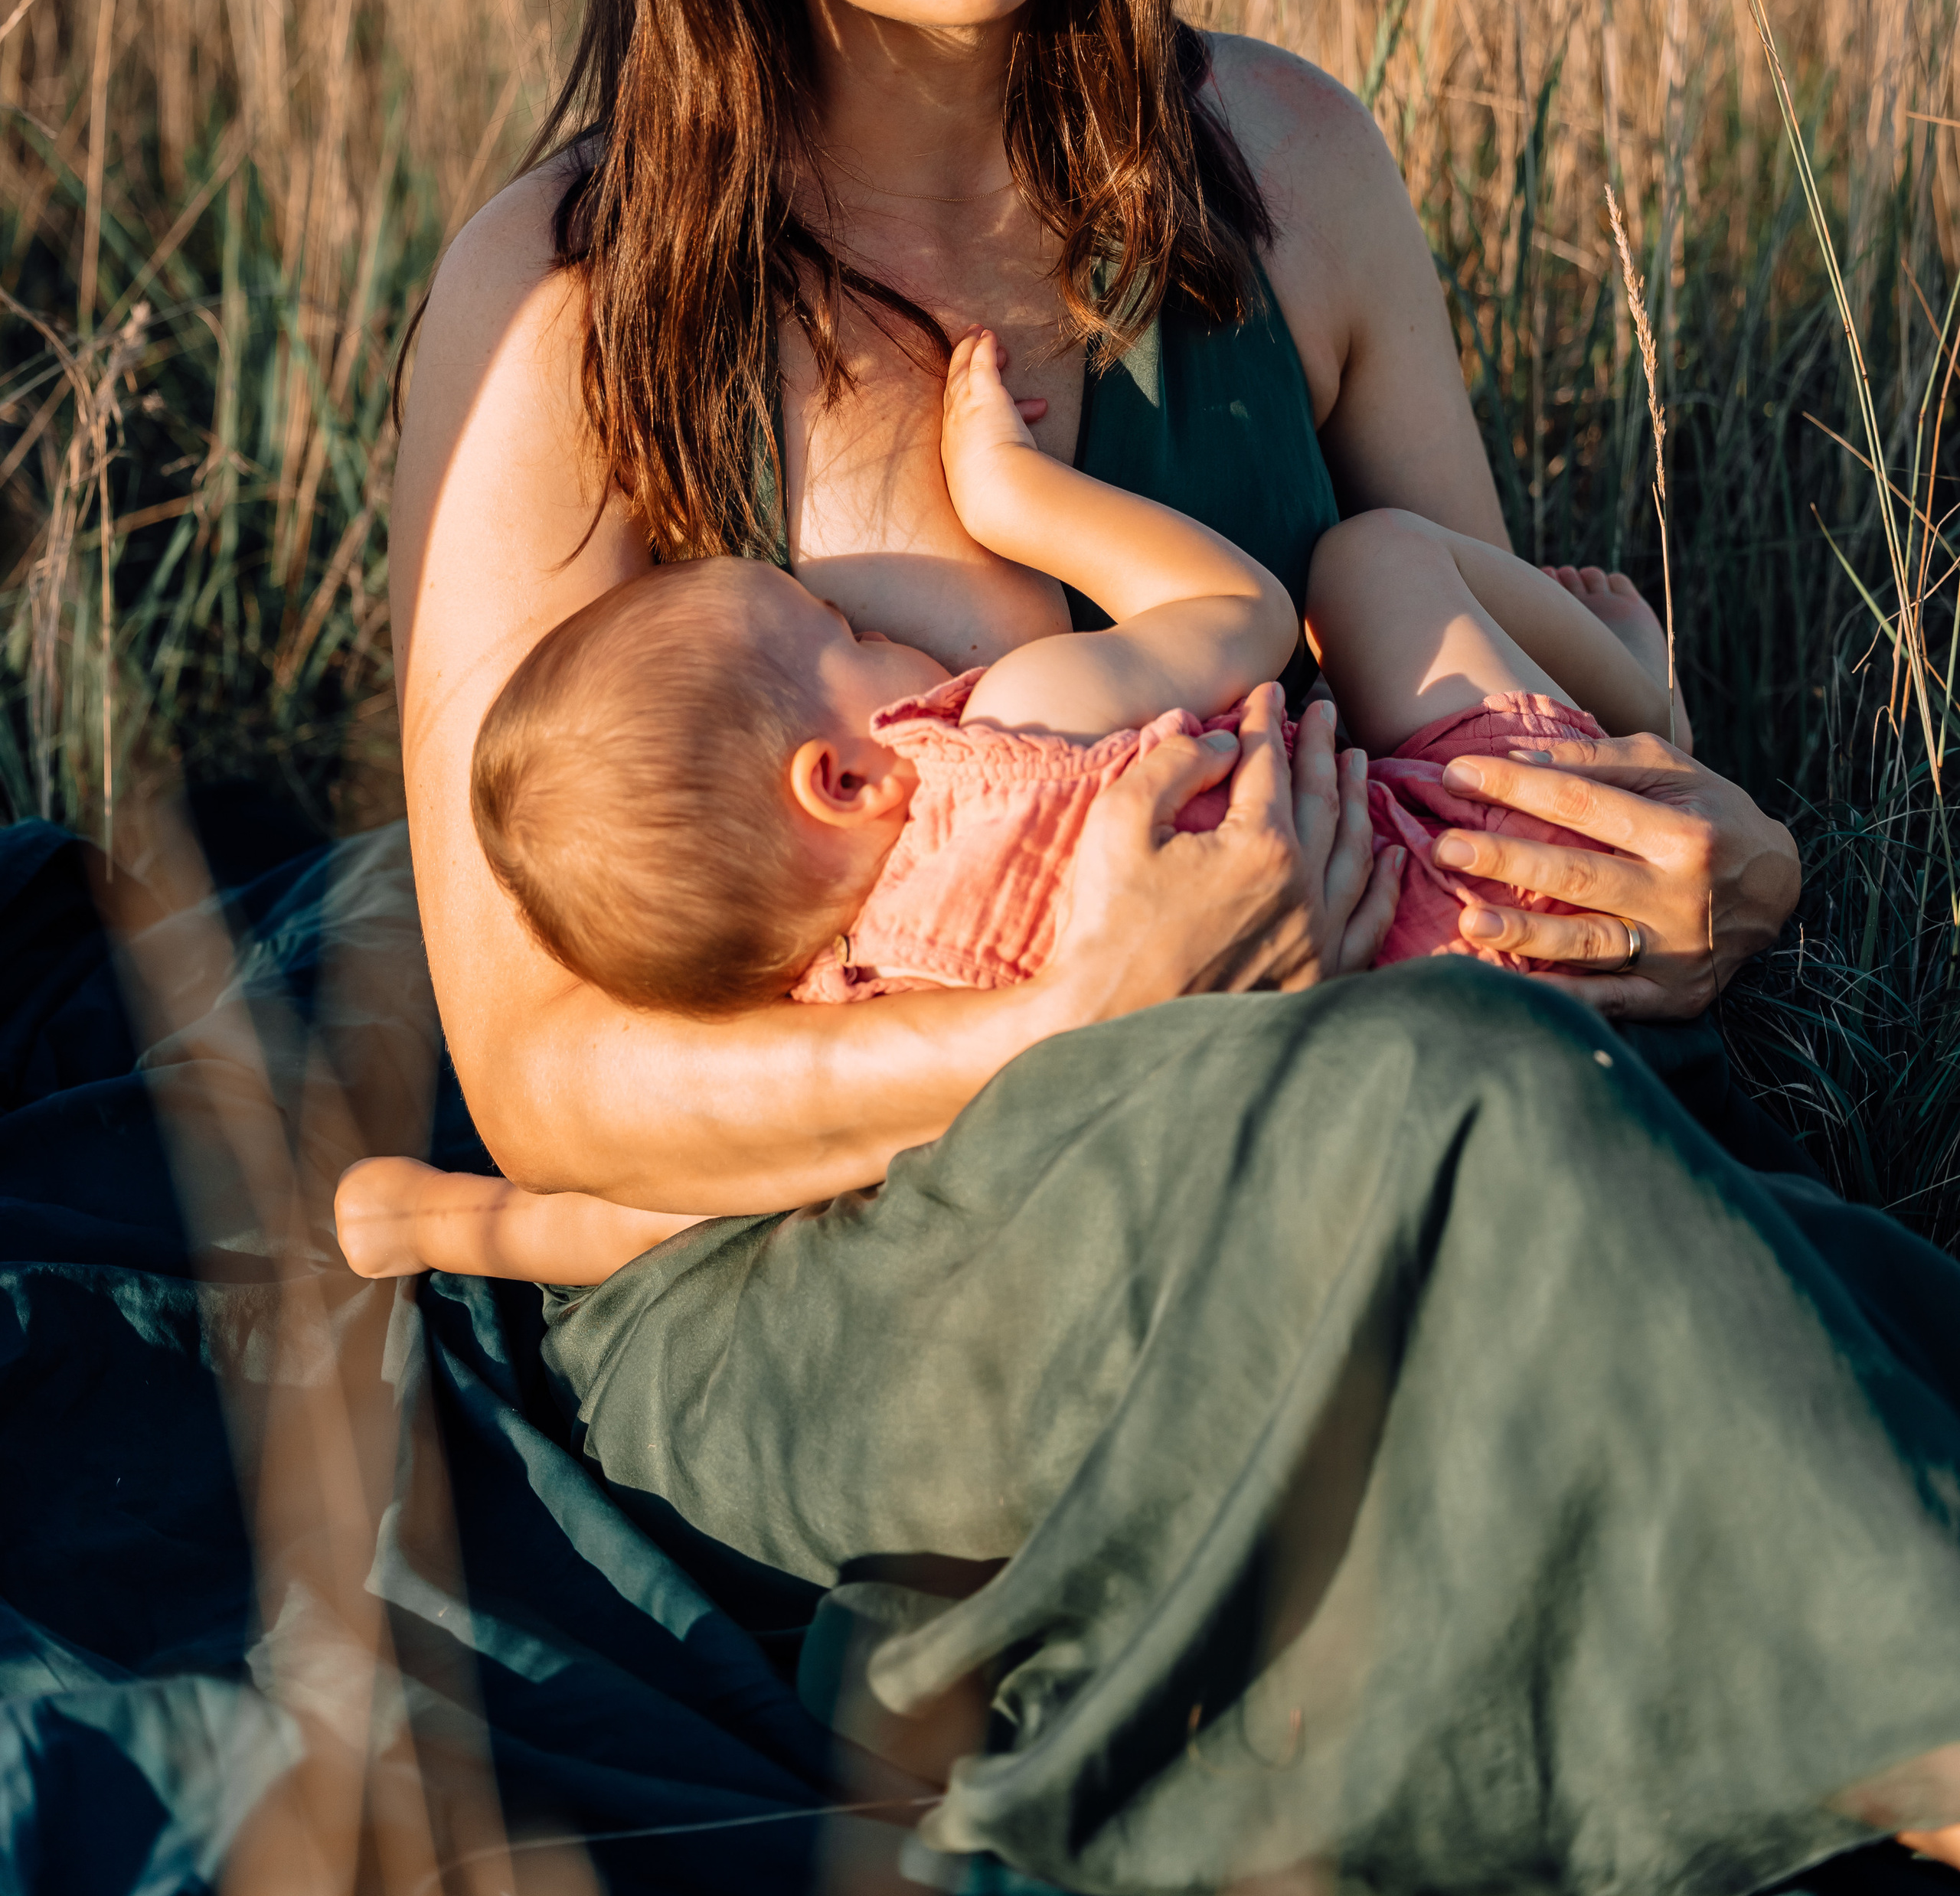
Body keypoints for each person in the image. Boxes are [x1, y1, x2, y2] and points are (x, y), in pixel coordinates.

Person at [384, 0, 1960, 1896]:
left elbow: (1491, 695)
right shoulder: (576, 309)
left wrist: (1701, 865)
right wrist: (1050, 1030)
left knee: (1495, 1121)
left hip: (1401, 1079)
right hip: (862, 1259)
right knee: (1440, 1115)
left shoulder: (1292, 169)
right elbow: (538, 1073)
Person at [341, 327, 1676, 1284]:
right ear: (850, 775)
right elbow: (1247, 616)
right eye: (837, 629)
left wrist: (440, 1225)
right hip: (1509, 874)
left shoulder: (865, 1023)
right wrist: (1018, 499)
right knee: (1371, 563)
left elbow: (635, 1220)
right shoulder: (1002, 732)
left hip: (1413, 1069)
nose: (870, 624)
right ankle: (1653, 711)